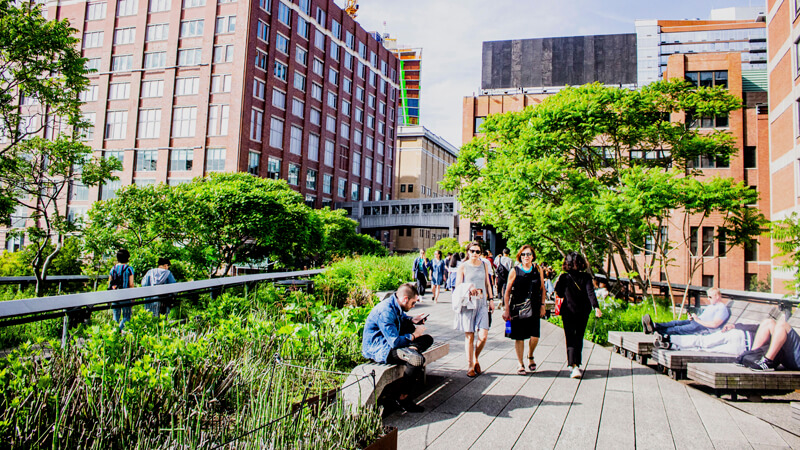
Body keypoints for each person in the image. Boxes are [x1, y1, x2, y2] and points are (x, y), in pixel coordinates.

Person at [362, 283, 433, 412]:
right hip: (381, 349)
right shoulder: (385, 311)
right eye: (413, 303)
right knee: (416, 360)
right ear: (405, 299)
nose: (413, 306)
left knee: (428, 339)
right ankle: (403, 398)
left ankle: (411, 350)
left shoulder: (395, 304)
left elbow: (402, 318)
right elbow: (394, 342)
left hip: (392, 345)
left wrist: (413, 320)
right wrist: (414, 335)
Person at [554, 252, 602, 379]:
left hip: (568, 310)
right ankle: (576, 363)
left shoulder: (564, 277)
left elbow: (559, 293)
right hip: (583, 311)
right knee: (579, 337)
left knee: (570, 337)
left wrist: (559, 282)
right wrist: (596, 307)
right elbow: (590, 293)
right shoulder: (586, 277)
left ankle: (573, 365)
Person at [502, 245, 547, 375]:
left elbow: (542, 288)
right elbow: (507, 291)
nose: (526, 257)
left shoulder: (538, 269)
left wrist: (543, 305)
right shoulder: (515, 271)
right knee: (519, 336)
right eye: (523, 255)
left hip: (534, 306)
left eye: (528, 254)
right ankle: (520, 363)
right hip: (518, 306)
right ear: (519, 257)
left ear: (533, 256)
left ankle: (530, 355)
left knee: (535, 336)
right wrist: (506, 309)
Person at [454, 241, 494, 377]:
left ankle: (476, 357)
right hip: (468, 303)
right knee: (469, 335)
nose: (475, 254)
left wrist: (492, 300)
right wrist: (469, 287)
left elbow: (488, 283)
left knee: (483, 336)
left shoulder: (484, 265)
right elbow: (458, 285)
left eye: (477, 251)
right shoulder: (463, 266)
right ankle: (470, 365)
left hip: (482, 302)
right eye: (472, 251)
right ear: (468, 252)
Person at [641, 287, 728, 336]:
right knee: (675, 322)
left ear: (717, 296)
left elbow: (714, 324)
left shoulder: (722, 308)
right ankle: (654, 325)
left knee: (678, 329)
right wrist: (693, 317)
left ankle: (656, 331)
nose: (708, 299)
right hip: (697, 322)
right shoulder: (712, 306)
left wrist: (698, 320)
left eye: (710, 297)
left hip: (703, 327)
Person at [655, 322, 759, 355]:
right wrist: (735, 326)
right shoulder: (772, 326)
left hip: (741, 350)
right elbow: (758, 327)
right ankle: (669, 338)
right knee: (703, 341)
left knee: (705, 349)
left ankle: (672, 346)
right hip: (740, 335)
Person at [108, 249, 135, 331]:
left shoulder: (113, 269)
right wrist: (133, 297)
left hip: (115, 295)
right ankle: (118, 330)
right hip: (126, 295)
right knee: (127, 316)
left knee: (115, 316)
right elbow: (131, 284)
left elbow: (110, 283)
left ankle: (114, 333)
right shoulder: (129, 269)